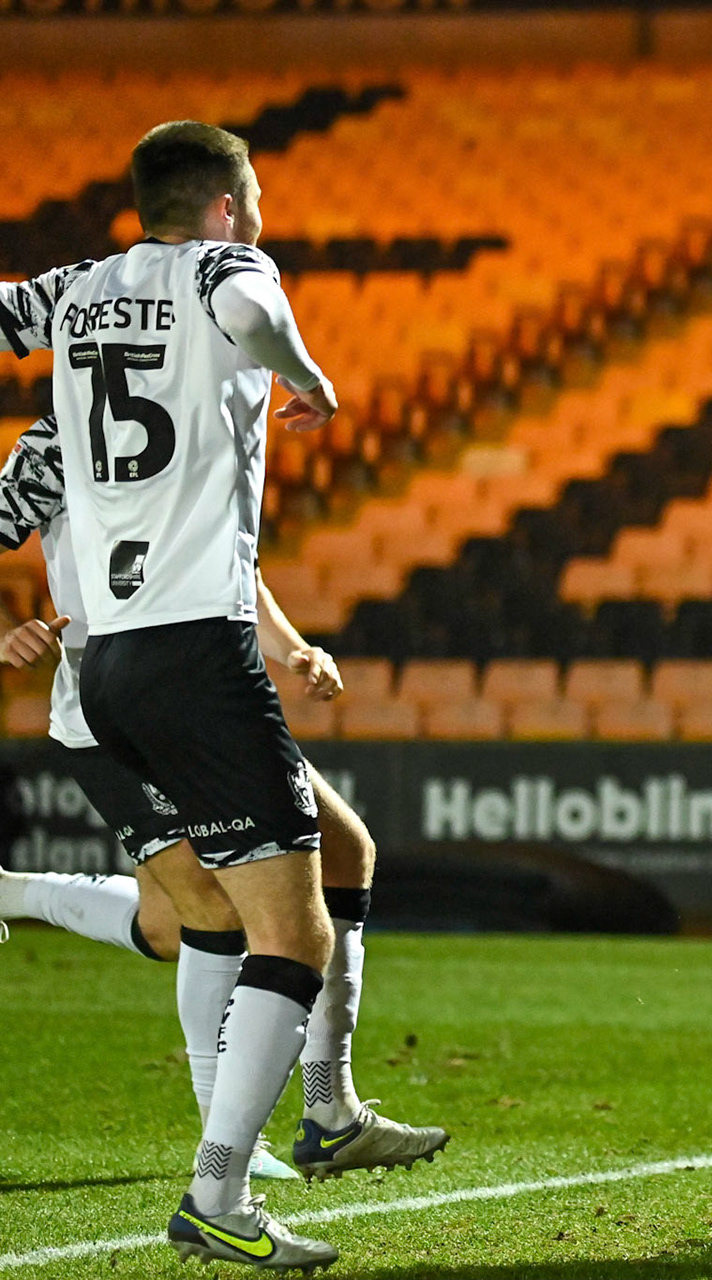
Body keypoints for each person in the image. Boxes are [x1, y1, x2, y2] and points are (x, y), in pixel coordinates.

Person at [3, 119, 352, 1269]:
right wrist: (308, 376)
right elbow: (250, 311)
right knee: (288, 926)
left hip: (107, 667)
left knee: (206, 909)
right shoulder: (224, 268)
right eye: (253, 199)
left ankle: (274, 1142)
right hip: (194, 650)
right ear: (226, 206)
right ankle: (224, 1187)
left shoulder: (75, 290)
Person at [0, 411, 447, 1188]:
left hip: (209, 702)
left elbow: (237, 566)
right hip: (112, 712)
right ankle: (228, 1142)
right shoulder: (62, 437)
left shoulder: (201, 416)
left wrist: (294, 650)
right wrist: (8, 631)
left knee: (332, 856)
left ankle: (331, 1110)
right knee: (211, 910)